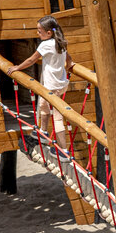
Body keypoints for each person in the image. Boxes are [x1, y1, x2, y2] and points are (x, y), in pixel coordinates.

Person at [10, 15, 72, 146]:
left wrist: (18, 68)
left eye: (39, 31)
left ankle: (64, 150)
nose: (37, 34)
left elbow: (32, 60)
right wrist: (70, 65)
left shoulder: (46, 45)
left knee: (57, 116)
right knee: (43, 105)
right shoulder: (60, 42)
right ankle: (43, 132)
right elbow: (68, 58)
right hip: (60, 83)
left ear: (48, 33)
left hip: (51, 86)